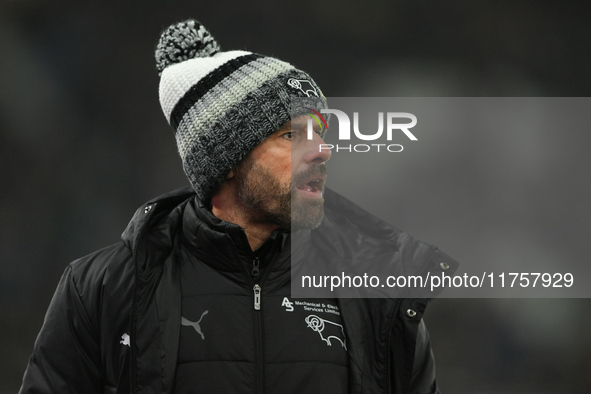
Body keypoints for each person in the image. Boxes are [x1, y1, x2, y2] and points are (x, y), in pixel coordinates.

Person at [19, 20, 458, 394]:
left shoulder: (376, 299)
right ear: (225, 159)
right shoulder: (102, 290)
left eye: (320, 133)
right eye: (291, 136)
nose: (321, 151)